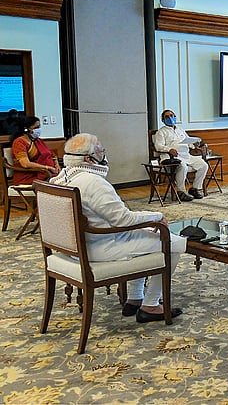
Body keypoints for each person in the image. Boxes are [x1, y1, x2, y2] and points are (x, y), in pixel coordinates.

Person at [49, 133, 185, 323]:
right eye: (101, 150)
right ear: (88, 158)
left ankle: (135, 298)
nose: (104, 153)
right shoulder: (93, 182)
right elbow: (122, 219)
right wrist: (157, 215)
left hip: (75, 248)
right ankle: (151, 305)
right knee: (173, 243)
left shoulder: (58, 179)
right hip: (99, 248)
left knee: (144, 233)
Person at [152, 109, 208, 202]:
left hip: (186, 156)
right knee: (182, 166)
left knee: (203, 165)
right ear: (163, 120)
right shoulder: (161, 132)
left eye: (171, 116)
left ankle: (195, 189)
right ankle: (181, 191)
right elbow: (158, 146)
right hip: (172, 158)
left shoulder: (181, 130)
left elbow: (189, 143)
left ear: (175, 117)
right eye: (167, 117)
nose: (170, 118)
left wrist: (194, 145)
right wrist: (169, 149)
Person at [9, 115, 59, 185]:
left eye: (39, 127)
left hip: (45, 173)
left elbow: (51, 155)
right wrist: (47, 168)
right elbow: (25, 164)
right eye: (36, 128)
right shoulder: (19, 142)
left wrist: (57, 165)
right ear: (26, 129)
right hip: (28, 177)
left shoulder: (38, 141)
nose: (38, 130)